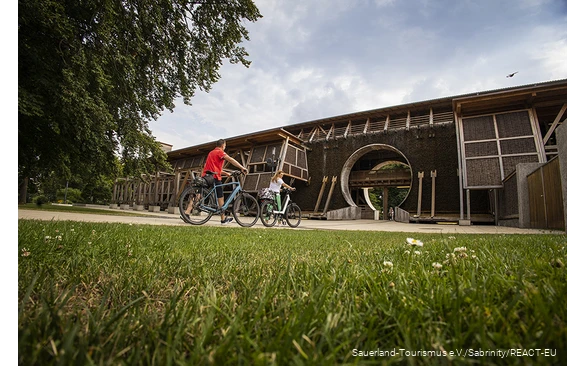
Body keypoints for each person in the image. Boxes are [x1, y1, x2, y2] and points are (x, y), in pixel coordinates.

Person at [202, 139, 248, 225]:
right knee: (220, 197)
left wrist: (225, 173)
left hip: (207, 175)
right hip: (215, 177)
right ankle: (223, 219)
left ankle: (187, 213)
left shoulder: (211, 153)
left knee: (199, 193)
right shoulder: (220, 152)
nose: (225, 147)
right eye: (225, 146)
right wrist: (242, 167)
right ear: (223, 145)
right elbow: (230, 160)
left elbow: (212, 167)